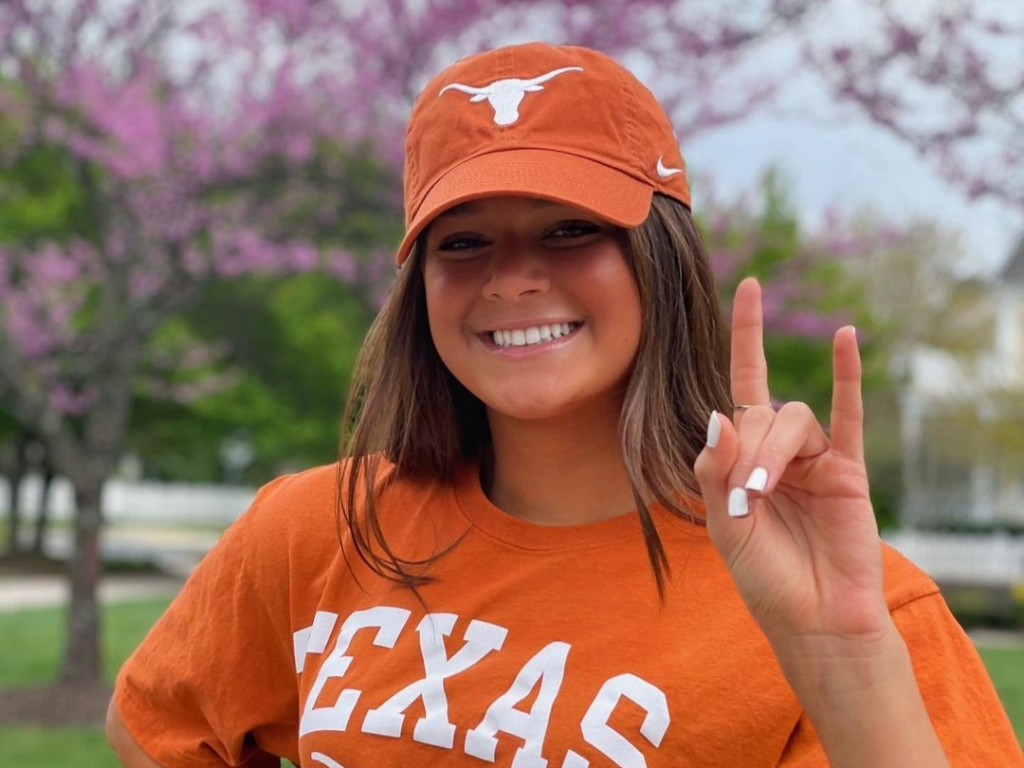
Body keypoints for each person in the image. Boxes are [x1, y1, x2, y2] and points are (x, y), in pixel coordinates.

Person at [106, 42, 1022, 768]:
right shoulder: (313, 530)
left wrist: (847, 660)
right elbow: (155, 725)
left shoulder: (854, 603)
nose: (512, 278)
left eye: (571, 229)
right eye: (461, 242)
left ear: (658, 261)